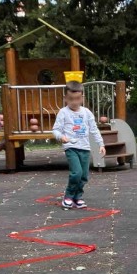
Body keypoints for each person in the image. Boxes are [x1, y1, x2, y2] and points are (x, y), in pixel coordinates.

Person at [52, 80, 106, 210]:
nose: (74, 102)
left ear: (82, 98)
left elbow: (94, 129)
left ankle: (77, 197)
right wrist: (61, 137)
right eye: (71, 99)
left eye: (77, 99)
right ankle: (68, 197)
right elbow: (56, 130)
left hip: (85, 148)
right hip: (71, 147)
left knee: (84, 176)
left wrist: (101, 144)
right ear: (65, 98)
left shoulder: (86, 112)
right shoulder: (63, 112)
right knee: (76, 173)